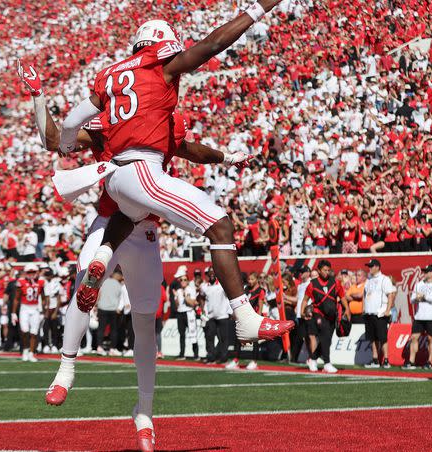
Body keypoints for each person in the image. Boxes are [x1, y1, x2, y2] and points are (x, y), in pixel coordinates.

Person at [59, 1, 294, 353]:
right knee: (220, 224)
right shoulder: (158, 71)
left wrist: (61, 135)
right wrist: (259, 8)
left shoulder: (113, 81)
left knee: (131, 212)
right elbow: (212, 46)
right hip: (140, 169)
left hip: (117, 178)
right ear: (161, 46)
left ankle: (104, 254)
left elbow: (71, 124)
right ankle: (244, 317)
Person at [301, 260, 344, 373]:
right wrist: (302, 312)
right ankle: (327, 363)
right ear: (319, 271)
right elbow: (305, 300)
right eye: (325, 270)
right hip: (318, 314)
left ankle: (313, 359)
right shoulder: (312, 284)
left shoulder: (335, 282)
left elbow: (342, 296)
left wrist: (347, 310)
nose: (327, 272)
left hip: (332, 315)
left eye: (328, 270)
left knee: (327, 340)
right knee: (325, 336)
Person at [404, 263, 432, 369]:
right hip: (419, 316)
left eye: (427, 271)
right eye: (424, 271)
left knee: (430, 339)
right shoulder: (419, 284)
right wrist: (417, 298)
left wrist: (424, 296)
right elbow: (412, 299)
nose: (424, 273)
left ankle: (429, 361)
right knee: (414, 337)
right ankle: (411, 361)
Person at [363, 259, 396, 368]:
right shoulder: (368, 279)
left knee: (382, 337)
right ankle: (375, 359)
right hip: (369, 312)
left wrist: (387, 310)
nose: (370, 268)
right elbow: (365, 294)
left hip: (380, 313)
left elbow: (390, 295)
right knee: (372, 338)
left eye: (372, 266)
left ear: (377, 267)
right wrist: (364, 309)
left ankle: (386, 359)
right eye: (369, 266)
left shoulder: (384, 279)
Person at [13, 264, 43, 362]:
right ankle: (25, 350)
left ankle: (31, 353)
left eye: (33, 272)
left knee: (34, 332)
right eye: (29, 272)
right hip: (25, 308)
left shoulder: (41, 281)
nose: (31, 274)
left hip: (35, 308)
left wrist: (43, 310)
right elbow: (16, 298)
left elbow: (44, 297)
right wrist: (13, 313)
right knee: (24, 331)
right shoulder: (21, 282)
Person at [202, 268, 231, 365]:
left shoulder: (222, 284)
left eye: (213, 272)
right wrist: (202, 308)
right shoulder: (204, 286)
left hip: (222, 315)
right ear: (207, 274)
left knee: (223, 338)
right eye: (210, 273)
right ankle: (211, 357)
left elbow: (230, 294)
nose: (212, 274)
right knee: (209, 337)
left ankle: (223, 358)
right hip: (210, 316)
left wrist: (230, 310)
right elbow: (201, 297)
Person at [173, 267, 199, 360]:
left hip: (189, 313)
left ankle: (196, 354)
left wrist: (185, 296)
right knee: (181, 334)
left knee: (193, 333)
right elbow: (177, 306)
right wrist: (176, 297)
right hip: (180, 313)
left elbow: (192, 303)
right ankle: (182, 354)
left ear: (188, 281)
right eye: (181, 280)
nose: (182, 281)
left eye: (185, 280)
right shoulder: (179, 291)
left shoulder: (191, 289)